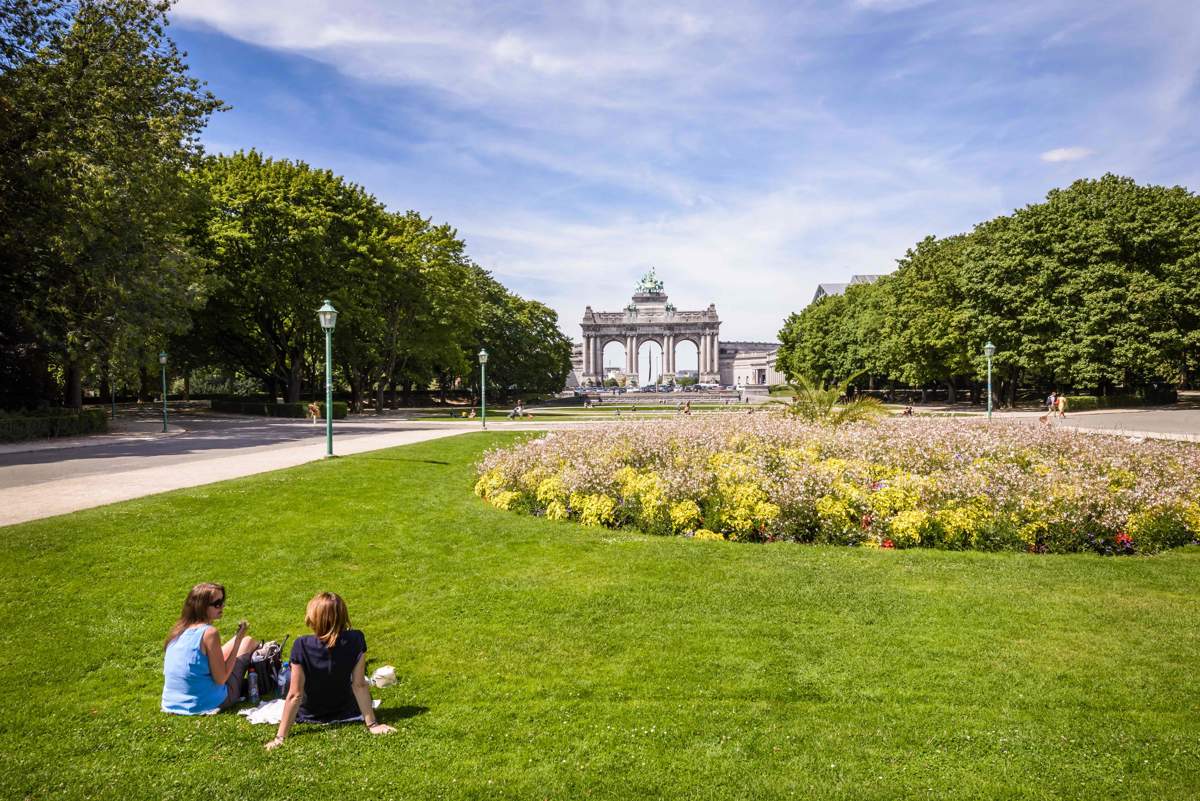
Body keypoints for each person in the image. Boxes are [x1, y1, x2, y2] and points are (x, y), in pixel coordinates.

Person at [266, 592, 394, 750]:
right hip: (345, 709)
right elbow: (359, 685)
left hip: (310, 713)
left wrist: (280, 737)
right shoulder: (356, 639)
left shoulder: (301, 645)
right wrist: (373, 725)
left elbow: (295, 694)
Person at [162, 582, 259, 715]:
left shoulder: (178, 630)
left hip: (171, 703)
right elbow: (221, 679)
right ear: (202, 607)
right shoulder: (209, 633)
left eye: (222, 601)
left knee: (245, 641)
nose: (222, 606)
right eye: (217, 603)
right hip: (205, 703)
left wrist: (238, 638)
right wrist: (237, 642)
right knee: (247, 642)